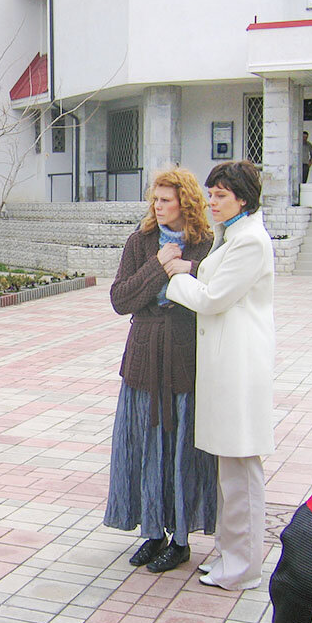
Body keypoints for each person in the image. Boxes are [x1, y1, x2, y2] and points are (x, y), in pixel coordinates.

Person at [164, 159, 275, 591]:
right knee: (229, 469)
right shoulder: (235, 236)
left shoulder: (250, 242)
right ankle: (231, 556)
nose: (211, 202)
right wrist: (192, 270)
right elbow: (213, 277)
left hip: (241, 366)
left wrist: (175, 274)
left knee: (242, 469)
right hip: (228, 364)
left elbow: (213, 298)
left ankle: (244, 567)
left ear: (243, 198)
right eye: (210, 194)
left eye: (221, 195)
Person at [105, 169, 217, 573]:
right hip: (143, 357)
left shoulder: (205, 245)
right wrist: (158, 264)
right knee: (146, 446)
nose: (158, 206)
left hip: (184, 357)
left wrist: (185, 266)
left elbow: (209, 296)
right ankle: (152, 532)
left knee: (181, 448)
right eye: (155, 199)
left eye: (166, 200)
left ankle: (181, 538)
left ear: (185, 203)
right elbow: (121, 299)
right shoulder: (141, 242)